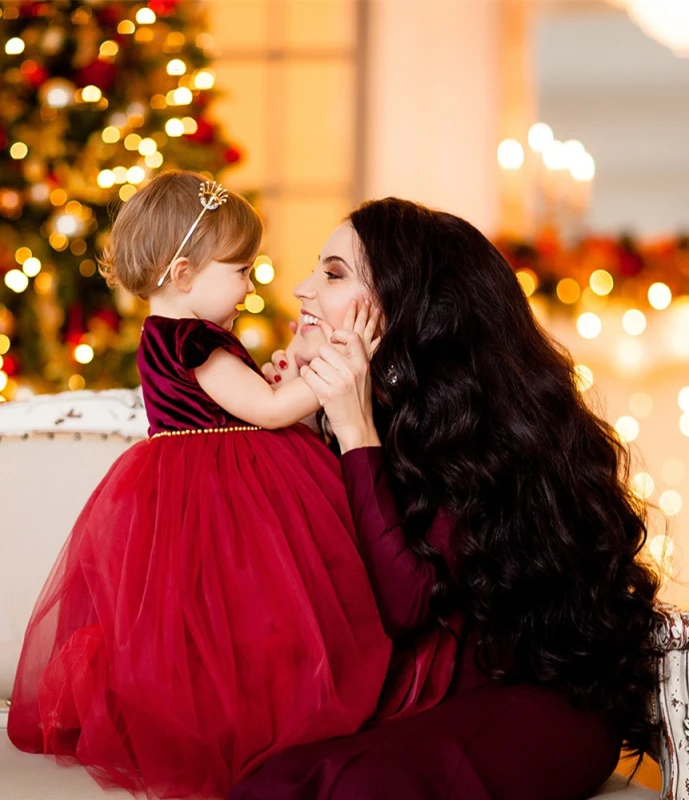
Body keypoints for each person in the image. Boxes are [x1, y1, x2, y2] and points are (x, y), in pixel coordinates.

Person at [231, 198, 661, 800]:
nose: (302, 289)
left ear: (406, 305)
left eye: (332, 273)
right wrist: (304, 432)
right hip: (416, 698)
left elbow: (406, 604)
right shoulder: (365, 415)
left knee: (354, 788)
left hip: (535, 707)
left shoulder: (479, 435)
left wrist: (355, 432)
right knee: (267, 781)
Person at [8, 171, 392, 799]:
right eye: (240, 270)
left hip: (194, 484)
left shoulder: (169, 335)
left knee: (215, 623)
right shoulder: (192, 339)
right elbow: (267, 413)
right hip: (218, 493)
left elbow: (254, 400)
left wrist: (284, 376)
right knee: (247, 610)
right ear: (185, 275)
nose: (250, 285)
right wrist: (342, 365)